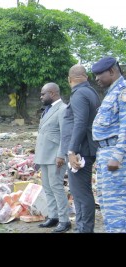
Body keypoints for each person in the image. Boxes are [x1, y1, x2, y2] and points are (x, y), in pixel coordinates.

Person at [61, 64, 101, 233]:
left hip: (80, 152)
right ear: (86, 76)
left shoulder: (78, 94)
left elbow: (80, 123)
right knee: (82, 192)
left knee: (80, 193)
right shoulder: (91, 92)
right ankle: (83, 228)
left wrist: (71, 151)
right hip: (86, 149)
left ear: (70, 80)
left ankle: (84, 229)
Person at [91, 56, 126, 233]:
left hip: (115, 154)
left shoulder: (123, 90)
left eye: (99, 74)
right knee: (106, 203)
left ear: (111, 71)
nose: (96, 79)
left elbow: (125, 126)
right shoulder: (111, 92)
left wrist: (117, 156)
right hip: (105, 152)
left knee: (117, 208)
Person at [34, 82, 70, 233]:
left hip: (55, 157)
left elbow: (65, 135)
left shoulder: (63, 109)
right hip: (44, 155)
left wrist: (61, 155)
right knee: (47, 188)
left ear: (53, 93)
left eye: (43, 94)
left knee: (56, 188)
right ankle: (53, 216)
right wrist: (36, 158)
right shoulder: (47, 110)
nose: (41, 97)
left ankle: (64, 220)